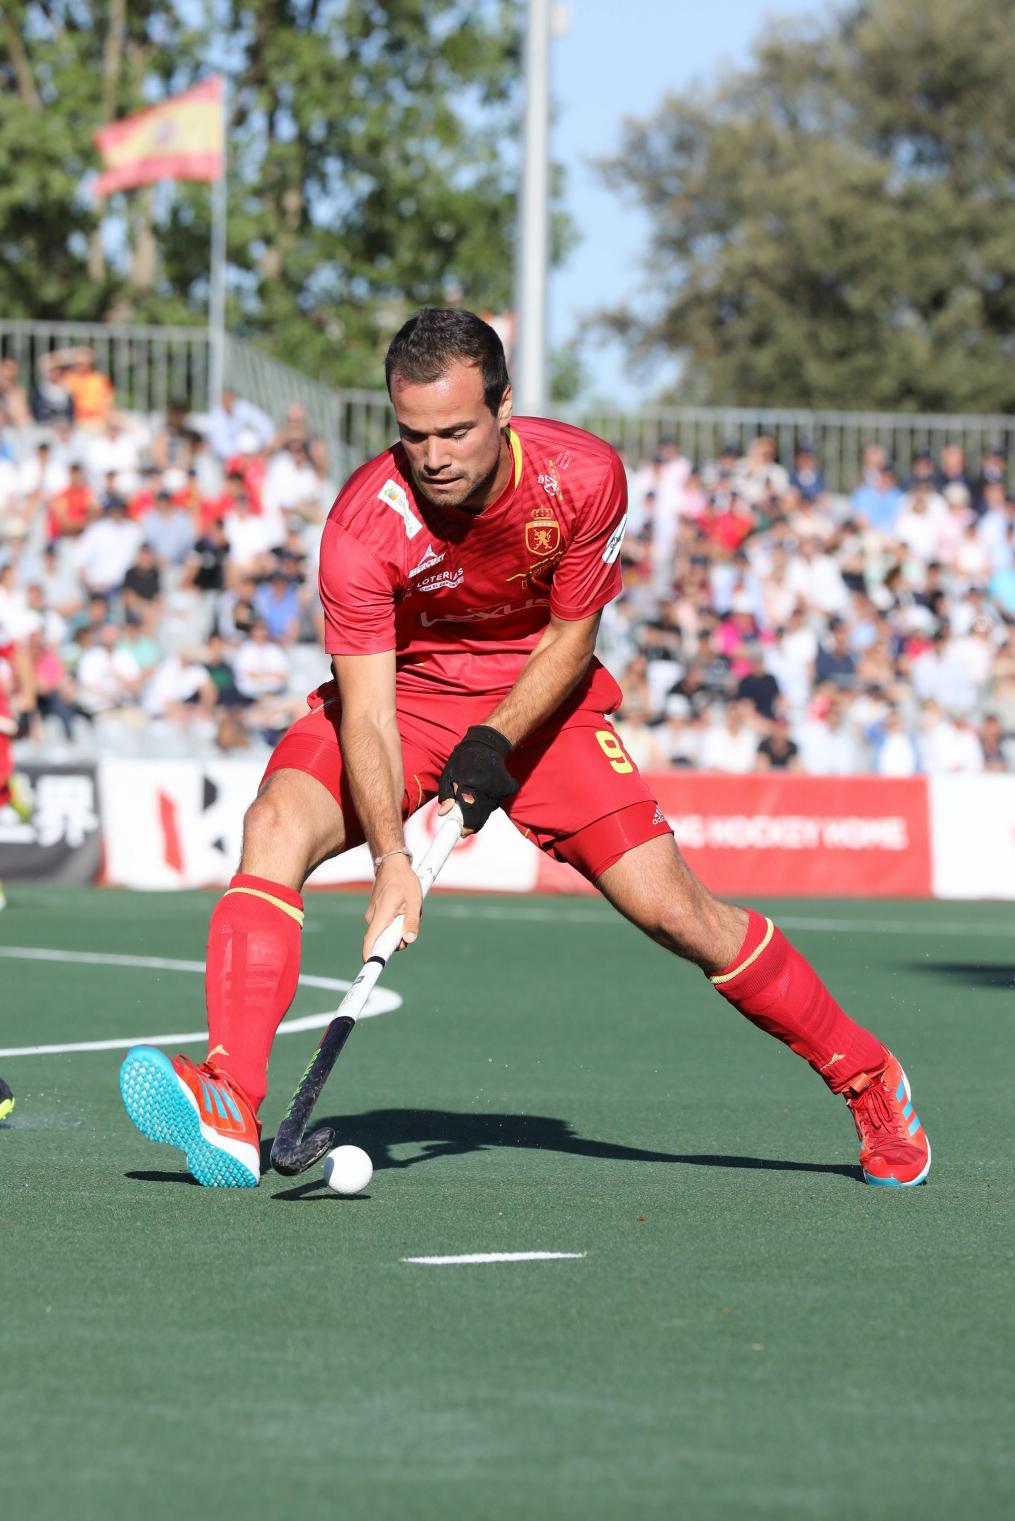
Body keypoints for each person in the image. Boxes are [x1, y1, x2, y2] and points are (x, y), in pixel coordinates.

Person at [118, 308, 932, 1191]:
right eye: (413, 434)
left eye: (456, 430)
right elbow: (367, 712)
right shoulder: (361, 525)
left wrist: (493, 742)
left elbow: (570, 640)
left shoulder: (581, 476)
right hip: (411, 701)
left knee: (676, 912)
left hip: (545, 704)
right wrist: (392, 855)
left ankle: (867, 1076)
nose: (432, 456)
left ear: (503, 406)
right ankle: (230, 1097)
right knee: (273, 821)